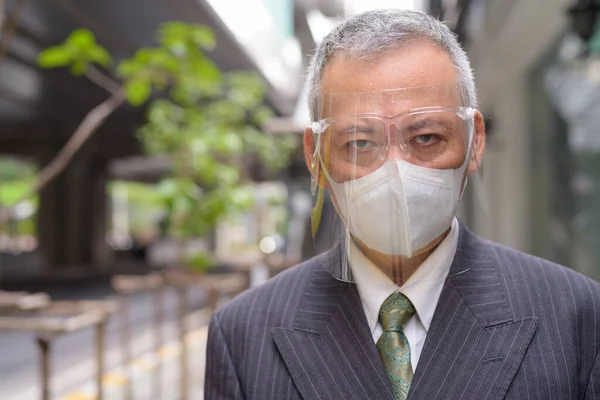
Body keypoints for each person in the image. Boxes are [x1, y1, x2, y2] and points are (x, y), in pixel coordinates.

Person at [204, 9, 600, 400]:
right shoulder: (243, 335)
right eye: (360, 143)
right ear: (316, 158)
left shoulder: (577, 317)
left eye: (426, 137)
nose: (396, 170)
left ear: (474, 141)